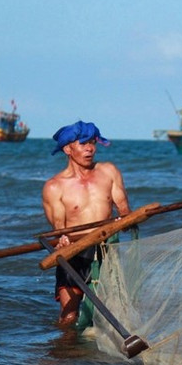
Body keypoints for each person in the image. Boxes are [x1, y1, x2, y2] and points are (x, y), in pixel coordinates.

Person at [42, 121, 130, 326]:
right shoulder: (54, 187)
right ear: (67, 149)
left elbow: (125, 212)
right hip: (75, 253)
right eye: (83, 144)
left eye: (92, 142)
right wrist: (61, 240)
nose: (90, 148)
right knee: (69, 314)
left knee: (112, 311)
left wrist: (125, 221)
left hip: (106, 250)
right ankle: (64, 353)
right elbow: (59, 230)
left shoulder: (109, 172)